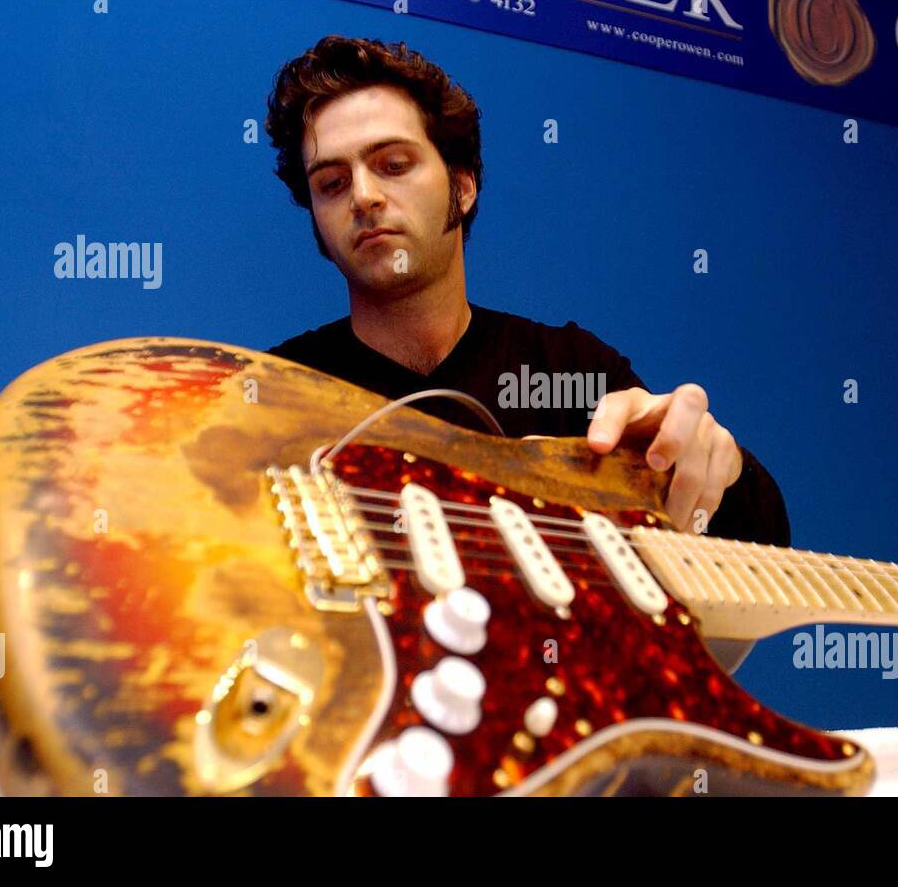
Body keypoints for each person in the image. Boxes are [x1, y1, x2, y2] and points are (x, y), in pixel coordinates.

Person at [263, 36, 789, 673]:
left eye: (394, 164)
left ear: (463, 186)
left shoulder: (569, 371)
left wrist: (713, 467)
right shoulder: (276, 395)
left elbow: (755, 551)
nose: (364, 196)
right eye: (332, 182)